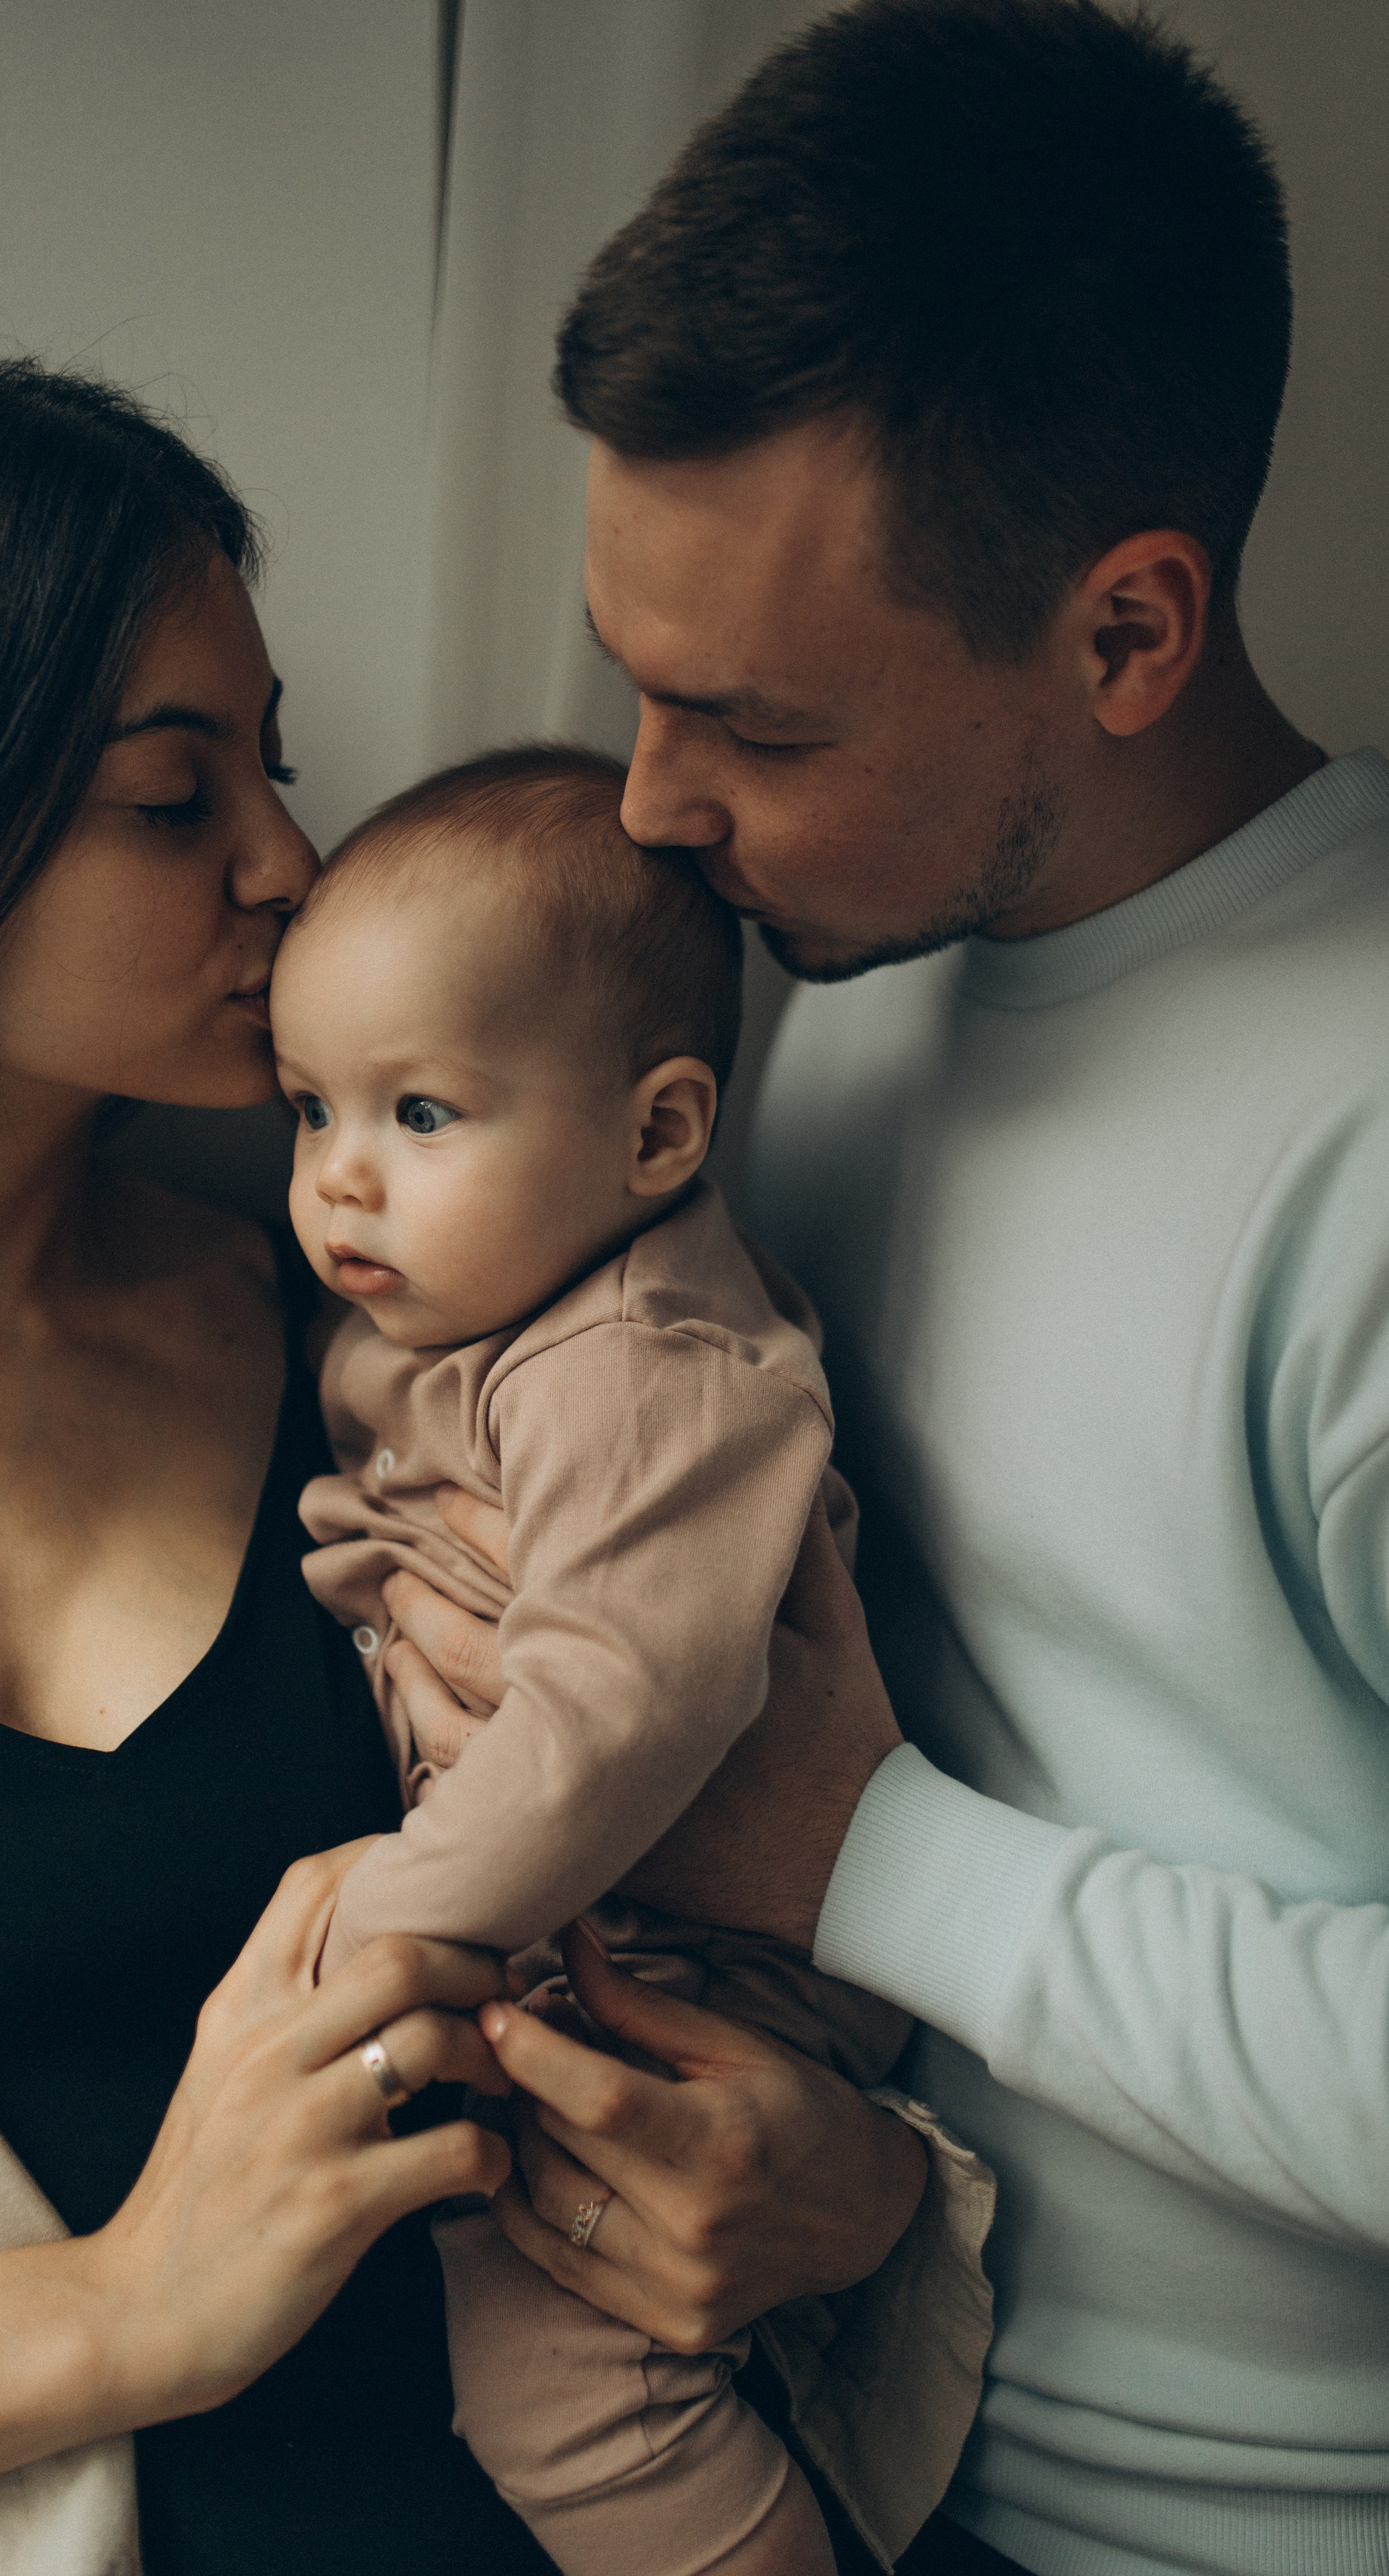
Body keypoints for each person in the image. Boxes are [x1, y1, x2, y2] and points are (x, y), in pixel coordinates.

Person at [374, 3, 1386, 2573]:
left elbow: (833, 1812)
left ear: (1128, 633)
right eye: (632, 682)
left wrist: (862, 1858)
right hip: (813, 2411)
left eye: (754, 722)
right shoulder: (798, 972)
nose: (648, 802)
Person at [0, 346, 564, 2575]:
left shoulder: (391, 1340)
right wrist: (130, 2312)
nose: (294, 863)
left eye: (276, 765)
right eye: (177, 799)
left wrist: (821, 2166)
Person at [273, 743, 960, 2576]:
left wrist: (379, 1934)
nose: (339, 1181)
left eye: (421, 1114)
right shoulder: (484, 1306)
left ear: (658, 1137)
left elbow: (625, 1706)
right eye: (309, 1110)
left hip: (686, 1966)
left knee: (566, 2381)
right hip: (572, 1912)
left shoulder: (642, 1364)